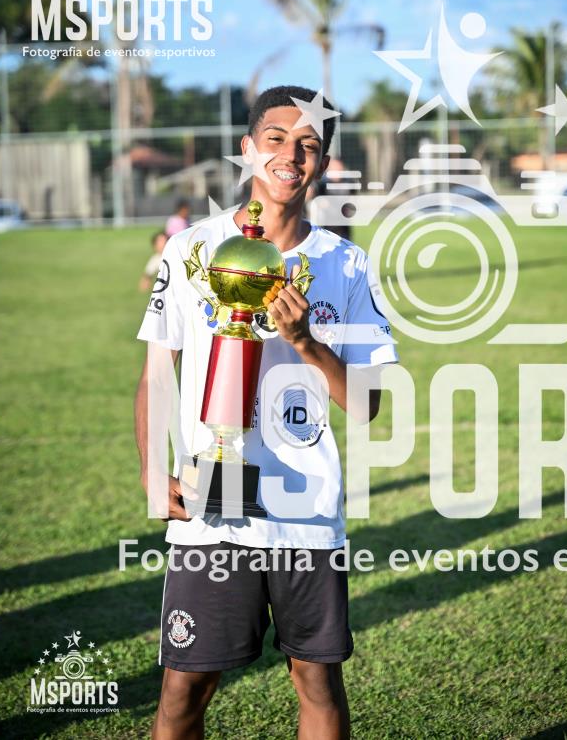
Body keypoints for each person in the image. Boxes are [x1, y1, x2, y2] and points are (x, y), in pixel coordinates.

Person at [134, 85, 398, 740]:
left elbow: (367, 403)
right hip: (210, 496)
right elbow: (156, 373)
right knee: (184, 689)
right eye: (276, 139)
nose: (291, 155)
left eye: (308, 145)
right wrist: (150, 471)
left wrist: (308, 343)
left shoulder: (345, 264)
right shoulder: (191, 249)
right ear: (248, 148)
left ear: (323, 163)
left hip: (305, 504)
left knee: (317, 680)